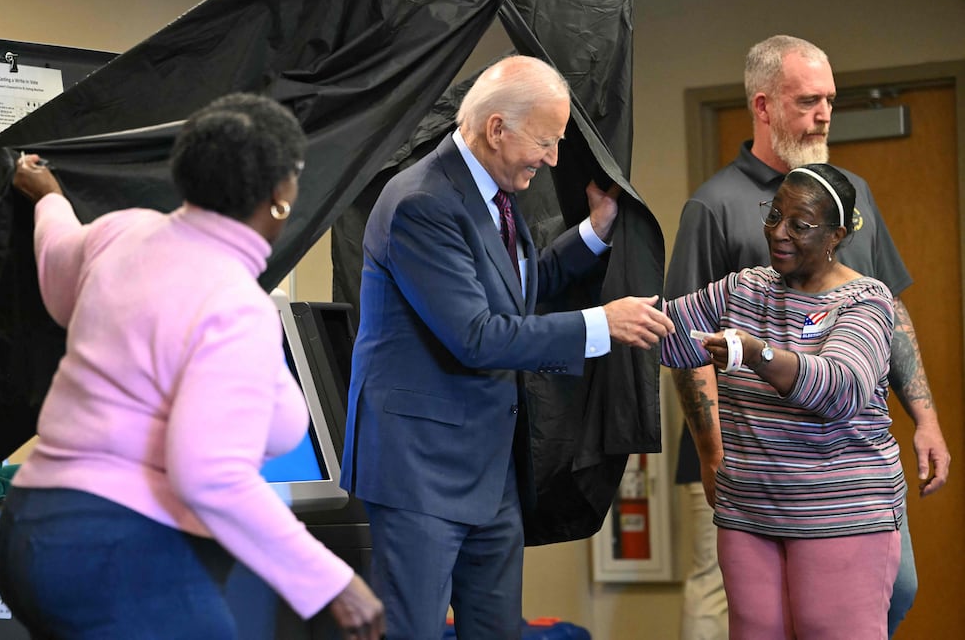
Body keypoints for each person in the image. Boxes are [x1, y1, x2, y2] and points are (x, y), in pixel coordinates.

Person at [0, 93, 385, 640]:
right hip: (120, 548)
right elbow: (211, 474)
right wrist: (334, 581)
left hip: (30, 528)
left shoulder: (121, 232)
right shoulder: (233, 303)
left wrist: (50, 198)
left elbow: (57, 263)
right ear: (281, 196)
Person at [339, 55, 675, 639]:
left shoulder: (493, 191)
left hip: (491, 470)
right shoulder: (422, 202)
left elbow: (518, 288)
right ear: (497, 129)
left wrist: (594, 232)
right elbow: (476, 334)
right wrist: (602, 323)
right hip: (420, 470)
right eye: (546, 142)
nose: (551, 159)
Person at [666, 35, 951, 639]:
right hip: (742, 455)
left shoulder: (853, 195)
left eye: (831, 100)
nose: (824, 114)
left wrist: (924, 417)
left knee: (889, 591)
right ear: (764, 106)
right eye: (808, 101)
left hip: (841, 464)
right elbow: (685, 341)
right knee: (736, 611)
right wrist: (713, 451)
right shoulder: (713, 206)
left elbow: (889, 313)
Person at [663, 163, 905, 639]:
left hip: (839, 511)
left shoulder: (866, 301)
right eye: (774, 215)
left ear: (836, 235)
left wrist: (758, 353)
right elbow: (672, 340)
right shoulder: (743, 288)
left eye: (800, 224)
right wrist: (614, 317)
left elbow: (840, 388)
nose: (778, 232)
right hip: (749, 509)